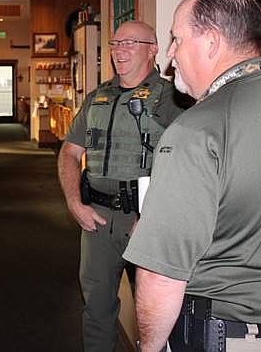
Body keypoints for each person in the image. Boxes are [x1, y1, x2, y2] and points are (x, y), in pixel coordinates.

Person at [123, 0, 261, 352]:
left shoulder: (196, 131)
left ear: (211, 42)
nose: (170, 56)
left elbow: (161, 275)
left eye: (177, 39)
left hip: (226, 336)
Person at [58, 20, 186, 351]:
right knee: (96, 310)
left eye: (130, 43)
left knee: (158, 314)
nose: (120, 51)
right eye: (115, 43)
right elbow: (69, 153)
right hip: (97, 218)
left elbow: (189, 165)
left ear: (153, 49)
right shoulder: (97, 98)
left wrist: (155, 216)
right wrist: (74, 203)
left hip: (147, 221)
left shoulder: (173, 99)